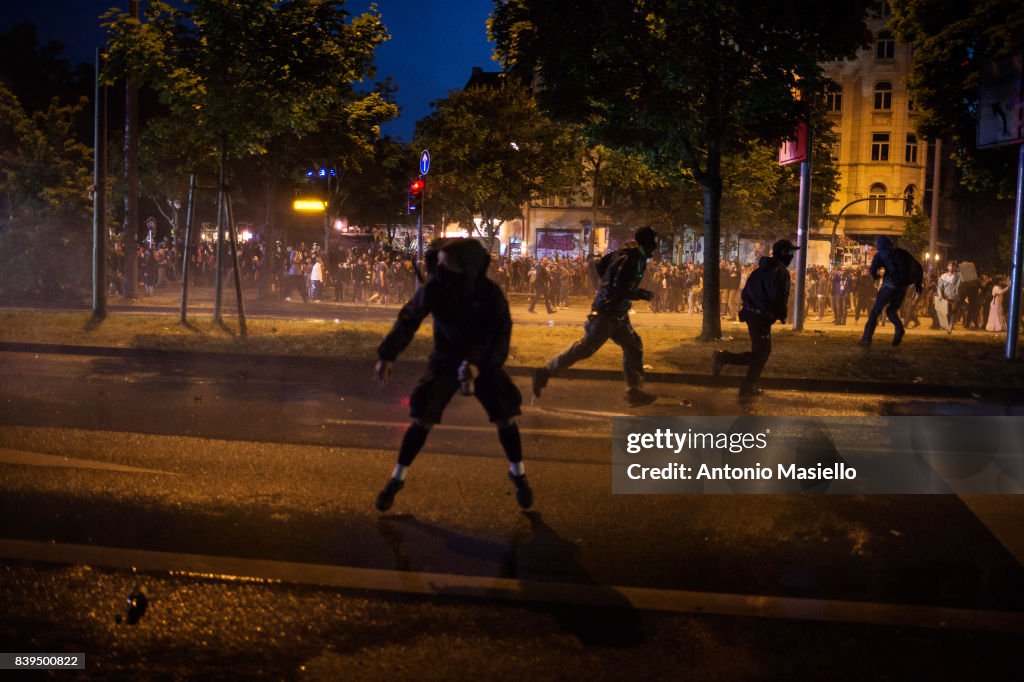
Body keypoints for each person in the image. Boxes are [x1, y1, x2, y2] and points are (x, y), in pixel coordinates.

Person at [372, 238, 532, 512]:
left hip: (484, 362)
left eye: (446, 264)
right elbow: (409, 318)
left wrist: (478, 366)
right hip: (446, 359)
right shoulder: (436, 288)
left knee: (505, 417)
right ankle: (396, 479)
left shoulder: (490, 295)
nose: (439, 269)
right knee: (422, 420)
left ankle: (518, 475)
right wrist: (387, 354)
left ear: (467, 267)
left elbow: (500, 338)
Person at [532, 227, 659, 407]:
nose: (656, 246)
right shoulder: (634, 259)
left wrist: (601, 287)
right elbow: (620, 287)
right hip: (608, 313)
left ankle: (635, 391)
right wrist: (642, 294)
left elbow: (598, 268)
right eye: (654, 241)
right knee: (586, 348)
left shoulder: (623, 253)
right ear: (647, 243)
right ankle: (544, 372)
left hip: (616, 313)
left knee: (633, 345)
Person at [711, 239, 798, 398]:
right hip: (761, 316)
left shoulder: (760, 270)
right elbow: (779, 296)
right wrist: (782, 314)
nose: (792, 257)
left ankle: (748, 386)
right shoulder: (780, 272)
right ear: (784, 254)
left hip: (753, 314)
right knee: (761, 353)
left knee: (762, 352)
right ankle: (724, 358)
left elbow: (746, 292)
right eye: (791, 253)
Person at [859, 236, 922, 347]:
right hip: (902, 287)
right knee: (891, 311)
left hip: (889, 286)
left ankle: (866, 338)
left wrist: (877, 276)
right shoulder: (901, 252)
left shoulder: (881, 254)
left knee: (875, 312)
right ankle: (899, 328)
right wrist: (917, 283)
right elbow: (917, 265)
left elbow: (872, 270)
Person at [937, 261, 962, 334]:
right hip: (945, 297)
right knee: (947, 313)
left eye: (953, 266)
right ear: (947, 267)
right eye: (950, 265)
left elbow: (966, 277)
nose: (952, 267)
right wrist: (940, 296)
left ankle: (950, 327)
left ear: (955, 267)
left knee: (953, 313)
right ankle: (948, 326)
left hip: (955, 297)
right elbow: (939, 287)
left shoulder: (958, 276)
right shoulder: (943, 276)